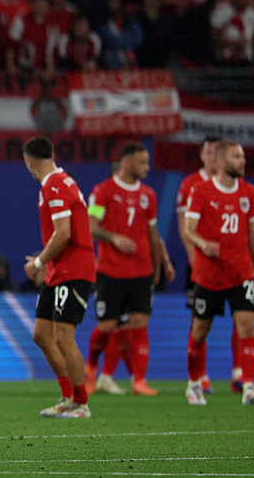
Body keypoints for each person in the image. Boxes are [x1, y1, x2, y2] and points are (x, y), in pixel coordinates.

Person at [83, 144, 175, 397]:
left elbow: (152, 233)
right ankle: (90, 368)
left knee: (139, 323)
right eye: (142, 162)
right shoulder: (102, 191)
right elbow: (91, 226)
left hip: (141, 270)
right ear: (127, 163)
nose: (147, 167)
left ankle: (139, 381)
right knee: (107, 326)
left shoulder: (149, 195)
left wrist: (161, 263)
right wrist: (114, 238)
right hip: (111, 270)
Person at [184, 140, 254, 407]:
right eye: (236, 156)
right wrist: (203, 243)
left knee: (247, 324)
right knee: (200, 330)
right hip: (209, 274)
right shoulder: (201, 190)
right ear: (220, 161)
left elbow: (252, 232)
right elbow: (189, 229)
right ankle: (194, 383)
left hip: (240, 271)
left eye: (242, 156)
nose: (242, 161)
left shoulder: (248, 192)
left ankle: (249, 386)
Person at [22, 136, 95, 419]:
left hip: (73, 270)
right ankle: (67, 396)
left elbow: (63, 233)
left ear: (29, 162)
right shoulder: (60, 182)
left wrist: (39, 261)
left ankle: (81, 403)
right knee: (42, 335)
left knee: (64, 337)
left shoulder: (54, 185)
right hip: (58, 270)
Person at [176, 136, 236, 394]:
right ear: (202, 155)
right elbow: (184, 226)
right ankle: (200, 376)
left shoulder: (235, 184)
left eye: (215, 152)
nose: (212, 157)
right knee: (199, 320)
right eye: (208, 152)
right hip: (201, 264)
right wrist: (194, 255)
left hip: (231, 266)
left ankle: (240, 374)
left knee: (242, 316)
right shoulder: (190, 184)